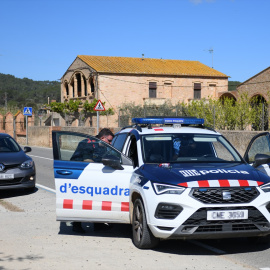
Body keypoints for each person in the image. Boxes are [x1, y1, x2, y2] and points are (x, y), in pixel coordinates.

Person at [72, 128, 114, 233]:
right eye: (109, 140)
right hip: (83, 176)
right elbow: (81, 161)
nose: (110, 143)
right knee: (81, 202)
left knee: (97, 202)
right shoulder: (87, 143)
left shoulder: (103, 145)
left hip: (96, 177)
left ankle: (98, 225)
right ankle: (76, 225)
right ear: (102, 138)